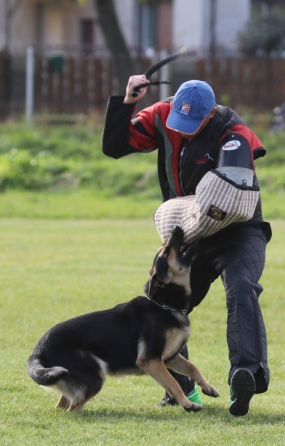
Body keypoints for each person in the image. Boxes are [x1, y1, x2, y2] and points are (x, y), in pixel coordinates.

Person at [102, 76, 271, 417]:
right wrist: (127, 102)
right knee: (162, 301)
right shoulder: (163, 116)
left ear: (210, 115)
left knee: (240, 288)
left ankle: (246, 373)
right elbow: (115, 146)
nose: (186, 130)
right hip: (189, 232)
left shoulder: (233, 134)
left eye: (194, 124)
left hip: (237, 228)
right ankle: (182, 385)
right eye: (182, 121)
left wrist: (182, 225)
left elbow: (226, 202)